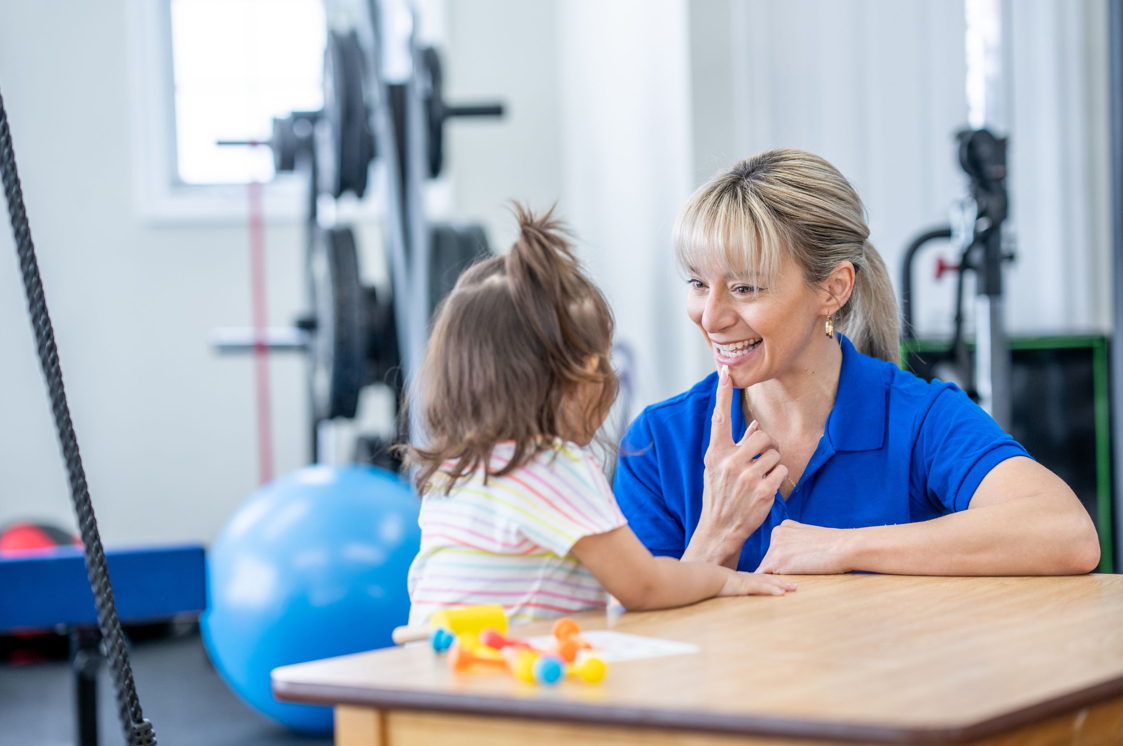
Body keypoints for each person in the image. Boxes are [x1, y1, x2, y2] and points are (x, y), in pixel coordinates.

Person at [615, 149, 1101, 576]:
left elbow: (1066, 532)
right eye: (698, 284)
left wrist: (843, 547)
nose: (711, 316)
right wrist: (715, 537)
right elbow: (641, 644)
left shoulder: (917, 418)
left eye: (745, 288)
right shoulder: (659, 443)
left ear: (833, 289)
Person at [404, 205, 795, 625]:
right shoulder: (553, 467)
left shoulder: (454, 470)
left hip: (437, 666)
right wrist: (721, 581)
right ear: (589, 375)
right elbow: (642, 586)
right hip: (512, 676)